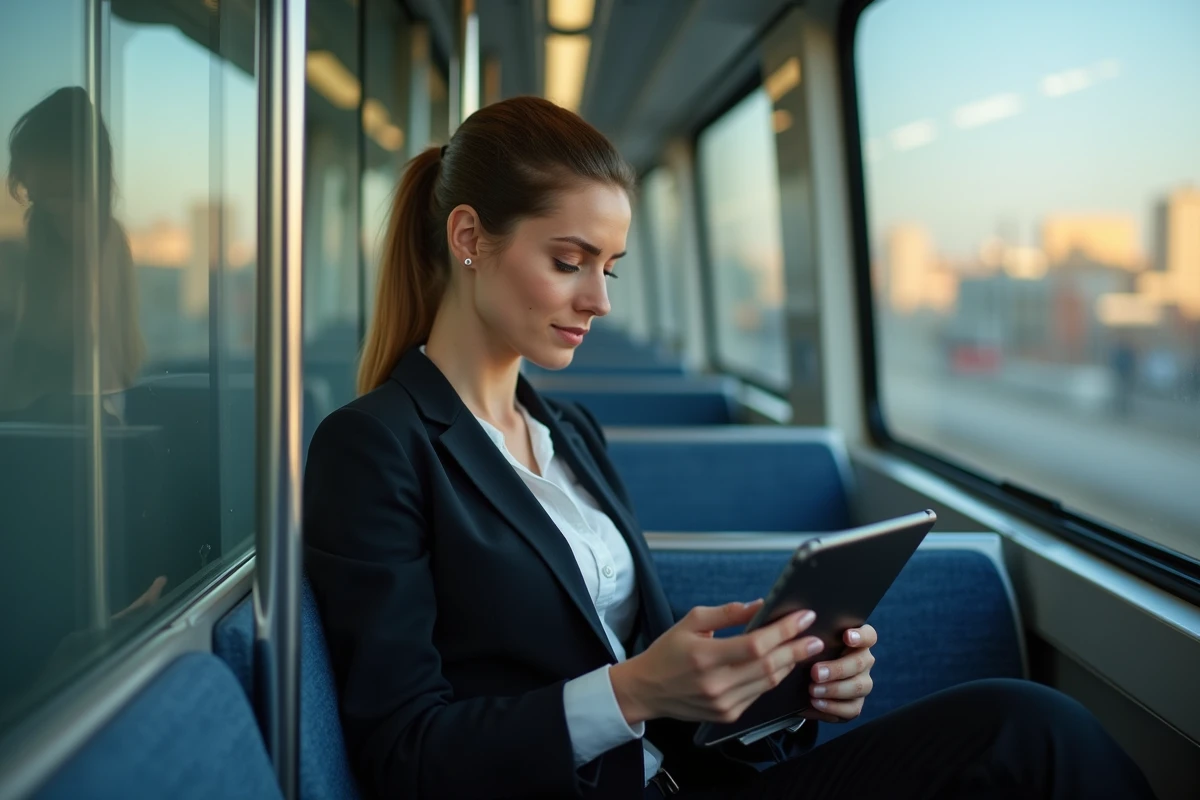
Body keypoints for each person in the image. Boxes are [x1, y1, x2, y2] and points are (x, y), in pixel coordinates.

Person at [302, 96, 1156, 800]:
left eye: (610, 267)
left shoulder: (571, 434)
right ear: (468, 239)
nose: (599, 299)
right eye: (569, 261)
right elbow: (404, 754)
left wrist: (774, 687)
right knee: (1028, 737)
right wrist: (636, 688)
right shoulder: (374, 447)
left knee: (1025, 725)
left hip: (689, 779)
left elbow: (649, 682)